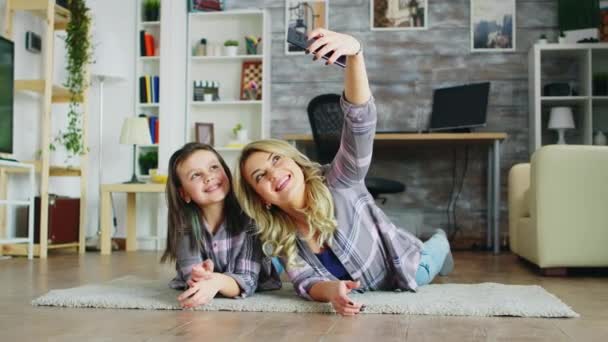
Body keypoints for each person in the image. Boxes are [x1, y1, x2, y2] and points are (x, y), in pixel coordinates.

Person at [234, 28, 453, 316]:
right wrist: (332, 292)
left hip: (409, 267)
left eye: (276, 159)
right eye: (260, 176)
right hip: (361, 286)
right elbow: (306, 282)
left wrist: (355, 56)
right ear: (261, 198)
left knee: (434, 250)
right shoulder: (281, 236)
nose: (273, 174)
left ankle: (441, 240)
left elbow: (360, 125)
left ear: (296, 163)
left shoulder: (339, 181)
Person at [161, 142, 280, 309]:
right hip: (219, 276)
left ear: (226, 171)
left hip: (259, 264)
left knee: (275, 257)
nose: (208, 177)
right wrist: (200, 275)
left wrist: (216, 281)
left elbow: (247, 280)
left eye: (214, 167)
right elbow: (191, 278)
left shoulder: (250, 218)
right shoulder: (185, 226)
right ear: (184, 193)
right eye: (195, 175)